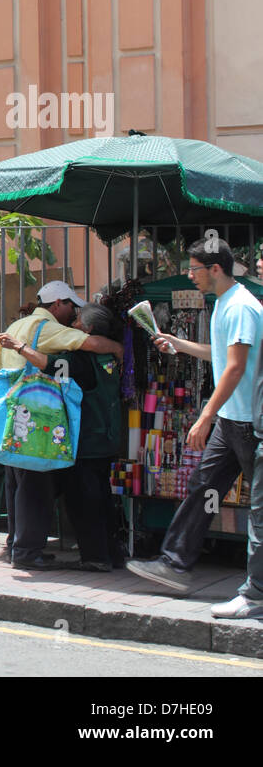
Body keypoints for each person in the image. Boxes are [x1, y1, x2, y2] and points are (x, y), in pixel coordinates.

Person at [127, 238, 263, 599]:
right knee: (205, 490)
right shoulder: (223, 304)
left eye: (194, 269)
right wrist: (180, 344)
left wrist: (205, 416)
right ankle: (174, 563)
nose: (190, 275)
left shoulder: (240, 308)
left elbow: (234, 369)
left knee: (259, 507)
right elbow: (220, 355)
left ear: (215, 269)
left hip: (249, 422)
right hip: (232, 422)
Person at [0, 280, 123, 569]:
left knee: (28, 486)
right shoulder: (107, 359)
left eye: (79, 318)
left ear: (88, 328)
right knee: (93, 495)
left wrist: (20, 348)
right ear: (57, 304)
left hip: (33, 423)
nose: (73, 319)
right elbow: (85, 347)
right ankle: (105, 554)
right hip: (100, 438)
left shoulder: (24, 331)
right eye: (72, 310)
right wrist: (117, 346)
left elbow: (42, 365)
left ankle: (24, 549)